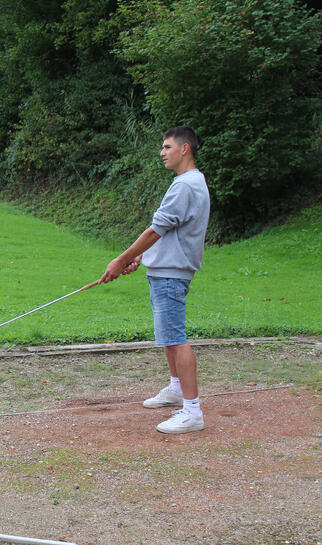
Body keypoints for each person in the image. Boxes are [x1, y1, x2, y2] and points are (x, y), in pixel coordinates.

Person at [100, 125, 210, 434]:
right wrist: (142, 257)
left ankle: (192, 411)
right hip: (165, 269)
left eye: (167, 147)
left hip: (172, 274)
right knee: (167, 336)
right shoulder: (190, 182)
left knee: (175, 338)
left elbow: (155, 230)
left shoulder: (185, 186)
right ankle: (176, 388)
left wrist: (120, 259)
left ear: (184, 149)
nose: (162, 152)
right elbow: (170, 231)